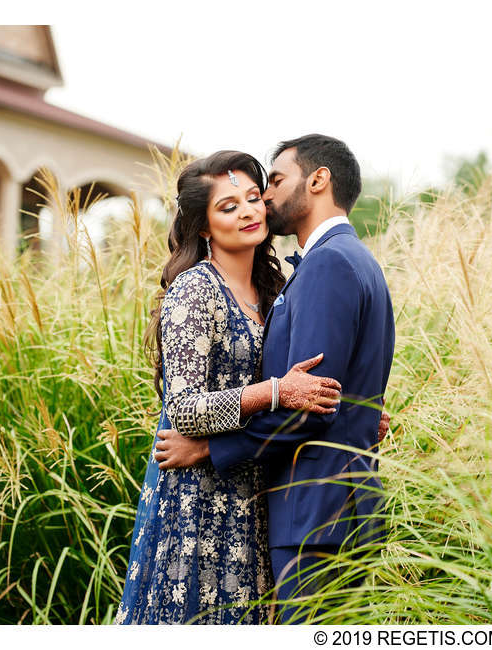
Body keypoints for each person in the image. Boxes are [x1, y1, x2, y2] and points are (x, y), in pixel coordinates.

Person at [155, 134, 396, 623]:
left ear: (318, 179)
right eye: (231, 204)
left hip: (315, 512)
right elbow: (320, 394)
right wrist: (350, 411)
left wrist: (207, 448)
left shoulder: (324, 264)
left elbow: (312, 404)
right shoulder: (348, 261)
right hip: (278, 509)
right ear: (203, 225)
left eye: (272, 183)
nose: (261, 201)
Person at [115, 150, 346, 625]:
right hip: (199, 503)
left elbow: (310, 380)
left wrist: (354, 411)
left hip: (256, 491)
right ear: (203, 226)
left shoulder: (274, 290)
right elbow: (183, 409)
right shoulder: (195, 289)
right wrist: (275, 392)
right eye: (228, 206)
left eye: (253, 198)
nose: (248, 212)